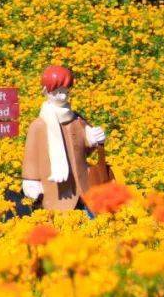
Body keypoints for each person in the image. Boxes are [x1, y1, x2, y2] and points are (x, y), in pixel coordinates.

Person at [22, 65, 106, 212]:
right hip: (56, 194)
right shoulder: (39, 126)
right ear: (45, 91)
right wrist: (31, 181)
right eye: (57, 92)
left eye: (65, 92)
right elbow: (31, 157)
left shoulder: (77, 119)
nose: (62, 96)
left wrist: (93, 138)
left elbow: (85, 149)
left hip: (85, 190)